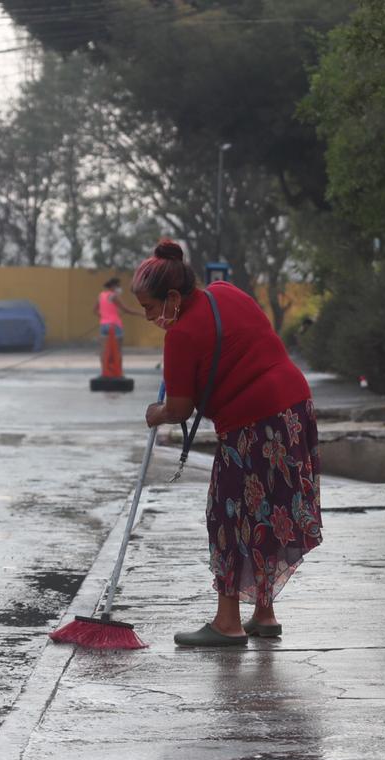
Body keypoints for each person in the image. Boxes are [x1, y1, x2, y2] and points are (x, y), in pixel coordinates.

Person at [134, 239, 323, 647]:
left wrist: (157, 413)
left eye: (150, 307)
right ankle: (264, 614)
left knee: (228, 516)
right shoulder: (226, 293)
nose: (149, 317)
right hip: (293, 408)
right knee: (270, 511)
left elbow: (180, 409)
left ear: (171, 297)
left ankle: (227, 622)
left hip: (252, 424)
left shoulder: (180, 335)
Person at [94, 276, 141, 342]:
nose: (119, 288)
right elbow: (126, 310)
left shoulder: (101, 295)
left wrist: (104, 317)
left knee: (104, 350)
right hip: (114, 325)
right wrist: (141, 314)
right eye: (118, 286)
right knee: (117, 349)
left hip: (103, 325)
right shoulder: (113, 296)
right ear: (113, 286)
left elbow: (95, 310)